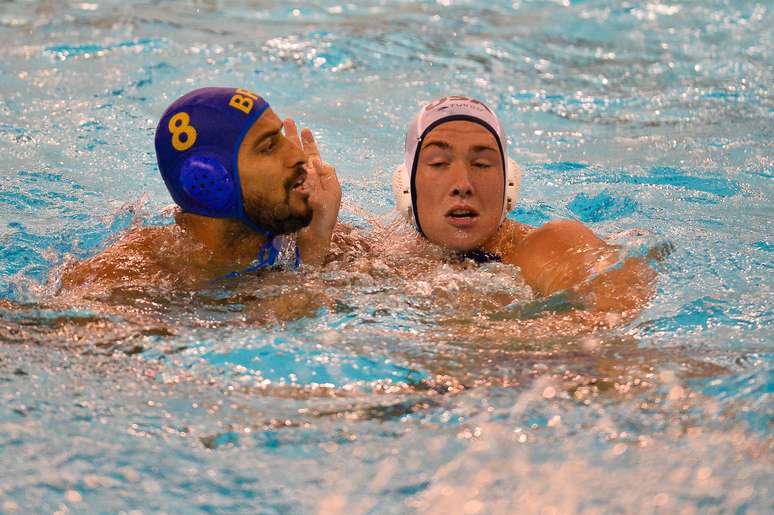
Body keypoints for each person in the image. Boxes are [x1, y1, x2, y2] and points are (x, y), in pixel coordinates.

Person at [391, 95, 657, 316]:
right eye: (438, 163)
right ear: (406, 186)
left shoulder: (552, 244)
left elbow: (614, 314)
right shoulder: (386, 257)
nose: (463, 184)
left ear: (509, 185)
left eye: (482, 165)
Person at [60, 87, 341, 290]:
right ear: (211, 182)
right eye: (269, 146)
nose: (298, 156)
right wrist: (309, 270)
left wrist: (315, 249)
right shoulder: (125, 277)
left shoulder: (309, 236)